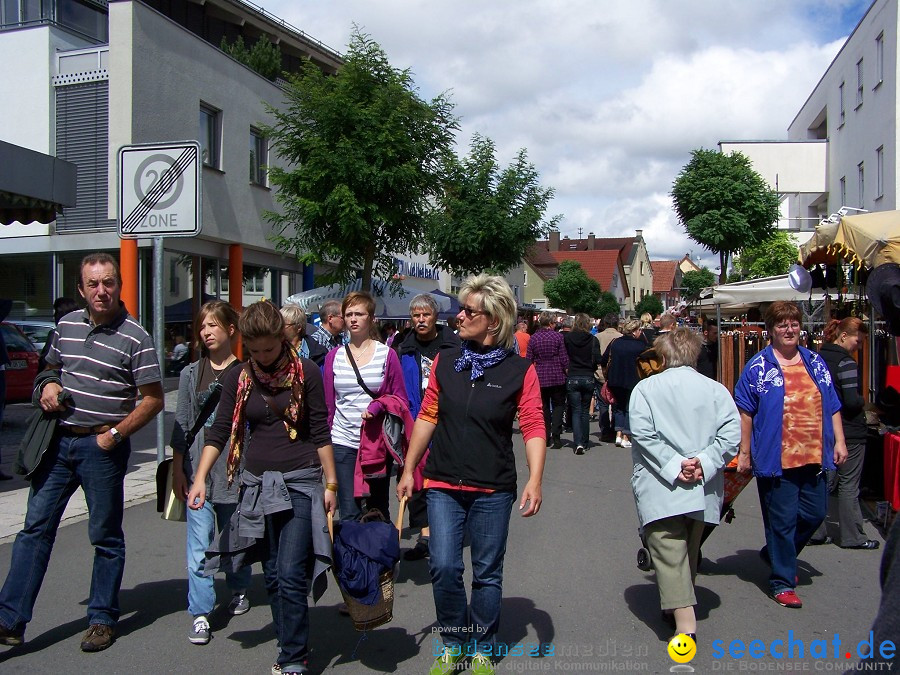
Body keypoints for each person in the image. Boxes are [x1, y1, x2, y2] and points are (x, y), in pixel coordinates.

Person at [0, 252, 163, 652]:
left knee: (105, 536)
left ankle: (102, 619)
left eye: (108, 282)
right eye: (93, 284)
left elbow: (154, 399)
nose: (101, 291)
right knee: (34, 531)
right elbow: (48, 369)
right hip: (58, 443)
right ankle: (9, 620)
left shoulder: (136, 337)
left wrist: (117, 435)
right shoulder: (66, 326)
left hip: (102, 448)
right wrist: (47, 387)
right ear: (81, 289)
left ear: (119, 286)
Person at [396, 274, 546, 675]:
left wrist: (535, 478)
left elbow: (532, 424)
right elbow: (428, 415)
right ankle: (453, 641)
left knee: (487, 571)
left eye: (467, 311)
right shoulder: (447, 360)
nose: (457, 316)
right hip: (442, 481)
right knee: (443, 567)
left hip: (493, 487)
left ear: (493, 321)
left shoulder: (520, 370)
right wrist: (409, 468)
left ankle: (481, 644)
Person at [187, 300, 337, 675]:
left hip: (300, 480)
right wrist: (201, 477)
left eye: (269, 349)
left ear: (283, 337)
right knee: (270, 573)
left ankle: (293, 657)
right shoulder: (239, 376)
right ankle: (289, 640)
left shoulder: (307, 372)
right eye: (253, 351)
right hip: (254, 487)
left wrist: (331, 483)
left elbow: (320, 430)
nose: (262, 357)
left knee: (289, 571)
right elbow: (219, 431)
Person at [734, 301, 848, 609]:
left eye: (794, 323)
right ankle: (781, 580)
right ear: (770, 330)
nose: (789, 329)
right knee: (781, 522)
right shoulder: (758, 367)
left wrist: (839, 441)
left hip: (813, 455)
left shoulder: (814, 361)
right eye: (782, 324)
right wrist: (744, 453)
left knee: (813, 513)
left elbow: (832, 404)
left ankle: (776, 553)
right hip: (776, 458)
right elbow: (745, 411)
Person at [629, 328, 740, 640]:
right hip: (702, 486)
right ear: (695, 354)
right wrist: (703, 462)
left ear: (662, 356)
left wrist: (676, 465)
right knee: (687, 551)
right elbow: (731, 435)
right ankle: (675, 608)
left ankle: (685, 624)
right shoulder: (716, 390)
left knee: (669, 550)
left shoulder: (646, 389)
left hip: (661, 486)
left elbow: (643, 434)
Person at [171, 300, 249, 646]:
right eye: (202, 327)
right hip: (198, 472)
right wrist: (178, 469)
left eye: (213, 325)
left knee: (235, 538)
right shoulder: (191, 374)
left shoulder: (246, 373)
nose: (206, 332)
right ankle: (201, 612)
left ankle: (239, 587)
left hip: (235, 472)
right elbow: (182, 425)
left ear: (231, 330)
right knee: (198, 546)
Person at [323, 291, 407, 522]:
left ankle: (380, 555)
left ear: (371, 318)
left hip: (375, 441)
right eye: (348, 314)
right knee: (348, 510)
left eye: (359, 314)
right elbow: (329, 404)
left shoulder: (386, 354)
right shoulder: (334, 356)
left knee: (377, 508)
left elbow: (400, 399)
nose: (353, 319)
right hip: (342, 440)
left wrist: (378, 407)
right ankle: (351, 557)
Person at [395, 293, 460, 561]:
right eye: (416, 316)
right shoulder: (402, 346)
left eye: (426, 315)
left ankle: (444, 532)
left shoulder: (453, 344)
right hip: (413, 420)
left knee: (443, 480)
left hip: (445, 421)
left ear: (436, 317)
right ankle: (425, 534)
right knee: (416, 481)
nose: (421, 320)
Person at [810, 317, 878, 550]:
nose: (859, 346)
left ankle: (815, 530)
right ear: (844, 336)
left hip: (822, 427)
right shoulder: (846, 362)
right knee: (849, 484)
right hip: (849, 429)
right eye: (858, 341)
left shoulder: (817, 359)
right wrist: (865, 403)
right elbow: (850, 401)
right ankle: (853, 536)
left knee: (824, 480)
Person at [600, 318, 647, 449]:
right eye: (639, 330)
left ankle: (618, 435)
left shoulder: (615, 343)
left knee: (618, 407)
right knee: (629, 408)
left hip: (615, 379)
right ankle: (626, 436)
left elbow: (603, 359)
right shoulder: (640, 346)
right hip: (633, 380)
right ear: (635, 331)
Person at [526, 311, 568, 449]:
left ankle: (546, 435)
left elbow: (528, 359)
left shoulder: (533, 338)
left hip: (540, 376)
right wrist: (567, 370)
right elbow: (563, 358)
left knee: (543, 407)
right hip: (557, 375)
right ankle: (556, 436)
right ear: (551, 323)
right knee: (558, 405)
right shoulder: (558, 337)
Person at [564, 313, 601, 455]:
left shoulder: (568, 338)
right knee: (585, 411)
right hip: (588, 376)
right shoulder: (593, 340)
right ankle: (584, 442)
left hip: (573, 375)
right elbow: (598, 358)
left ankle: (578, 442)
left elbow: (564, 356)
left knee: (576, 410)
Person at [592, 313, 621, 443]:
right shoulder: (621, 337)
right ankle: (615, 429)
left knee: (603, 403)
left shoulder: (597, 337)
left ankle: (605, 431)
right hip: (616, 374)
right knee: (615, 403)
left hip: (599, 373)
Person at [37, 297, 80, 372]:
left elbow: (45, 362)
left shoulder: (56, 334)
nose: (54, 316)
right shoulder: (84, 332)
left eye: (56, 312)